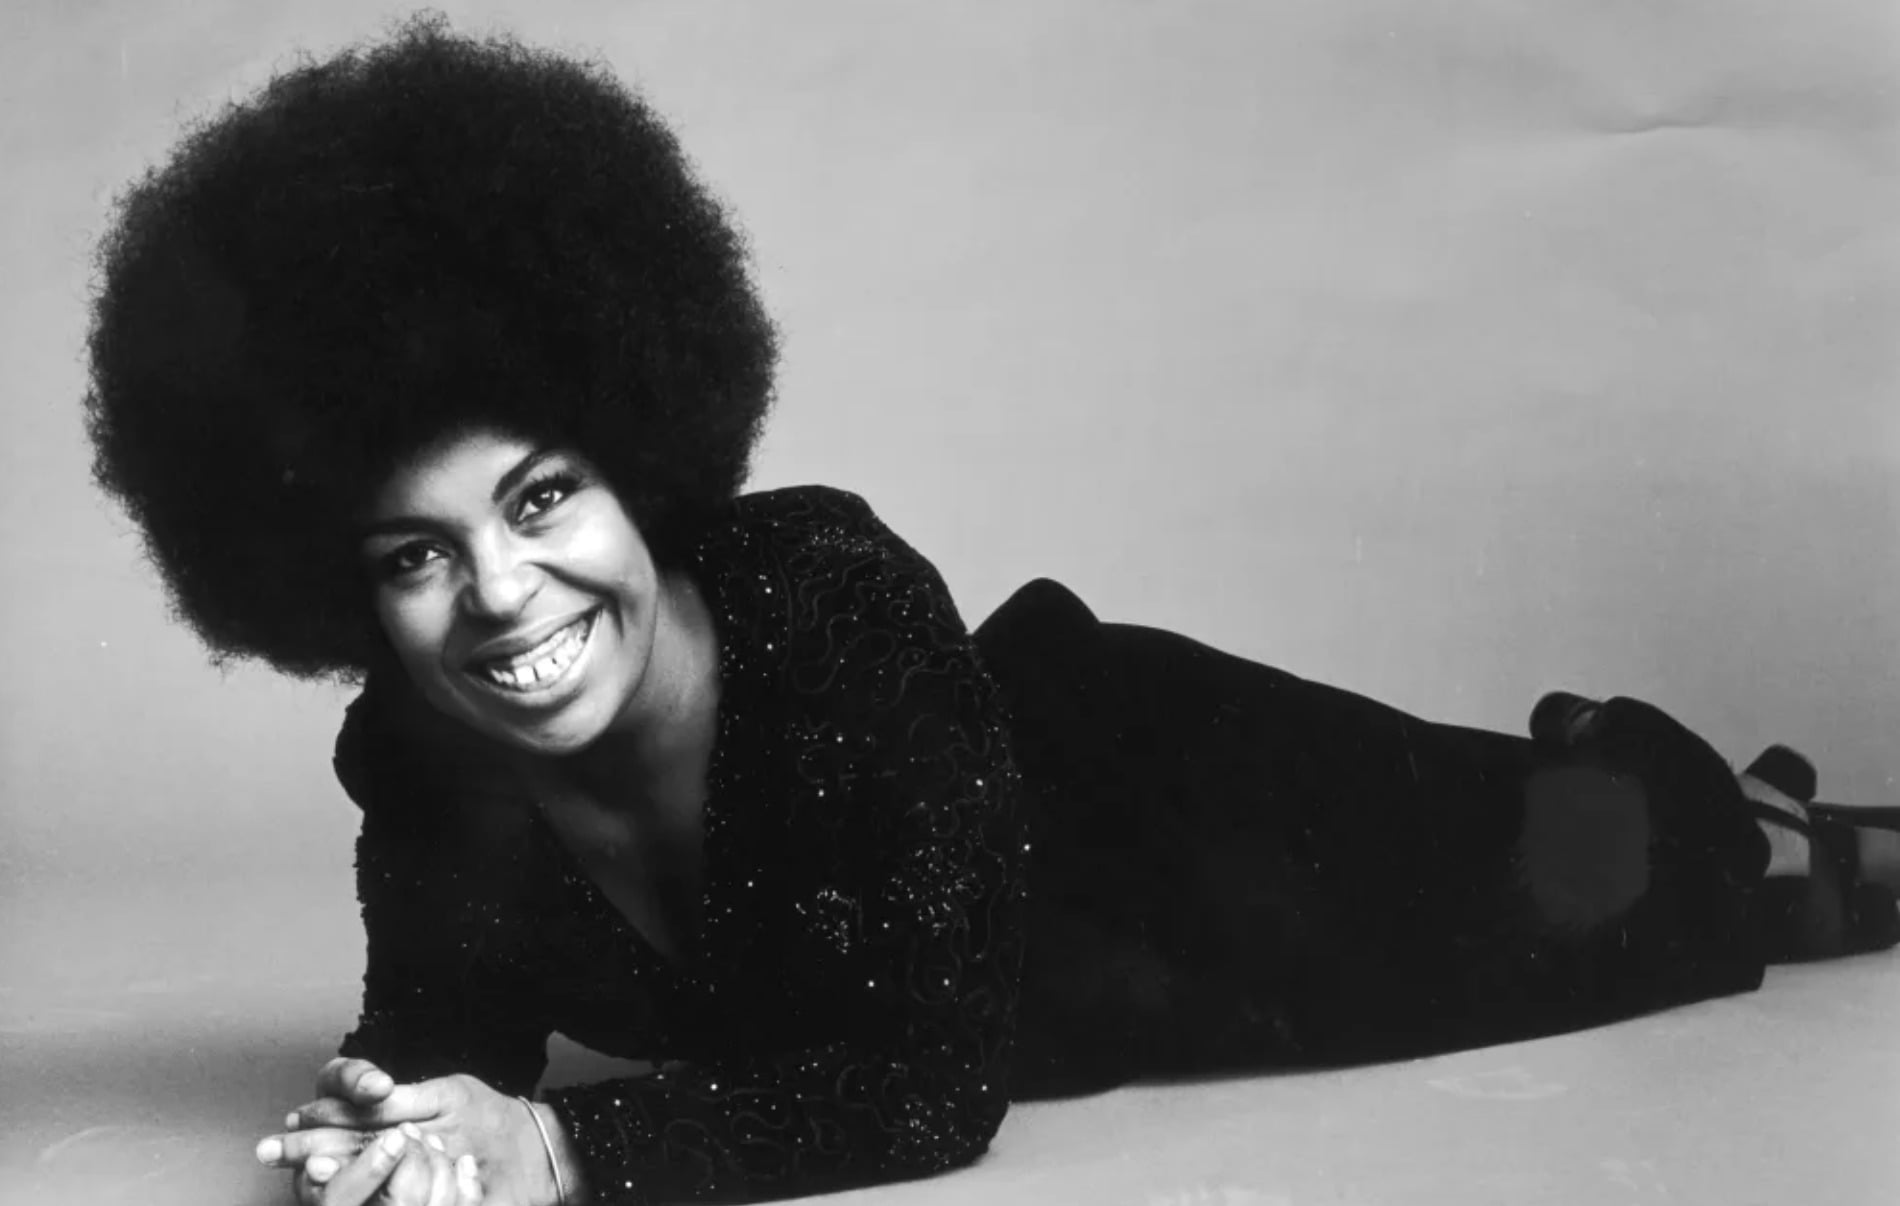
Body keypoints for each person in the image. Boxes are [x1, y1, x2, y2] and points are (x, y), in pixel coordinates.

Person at [81, 16, 1899, 1206]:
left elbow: (933, 1090)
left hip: (1177, 823)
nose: (500, 593)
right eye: (416, 552)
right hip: (1095, 988)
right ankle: (1673, 807)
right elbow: (447, 1015)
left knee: (1615, 893)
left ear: (641, 459)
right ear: (338, 578)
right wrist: (391, 1117)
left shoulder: (831, 603)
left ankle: (1706, 800)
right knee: (1595, 886)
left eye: (547, 496)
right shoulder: (417, 761)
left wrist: (556, 1154)